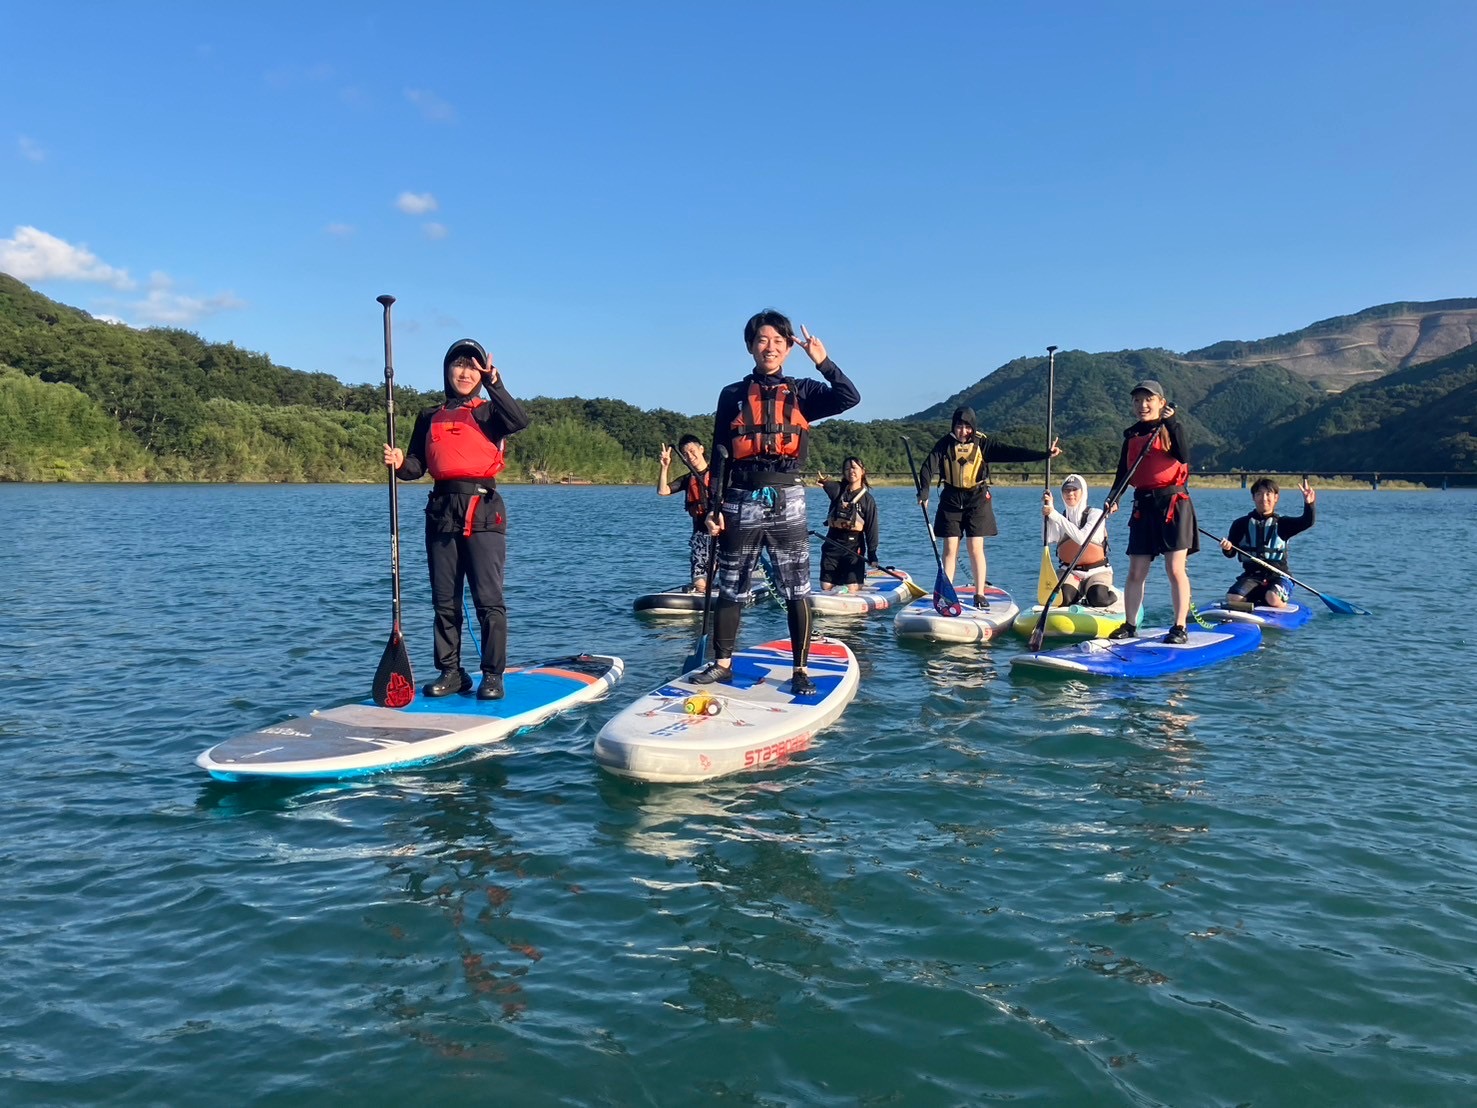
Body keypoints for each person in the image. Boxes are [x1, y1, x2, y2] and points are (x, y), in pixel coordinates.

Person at [690, 309, 861, 694]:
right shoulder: (732, 395)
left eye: (778, 341)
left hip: (788, 498)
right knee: (731, 585)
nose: (770, 347)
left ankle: (800, 668)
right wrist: (713, 507)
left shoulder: (803, 391)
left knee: (796, 588)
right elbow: (720, 452)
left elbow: (850, 397)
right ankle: (722, 664)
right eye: (762, 340)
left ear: (788, 349)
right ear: (750, 347)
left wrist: (823, 362)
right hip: (740, 498)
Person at [383, 338, 530, 700]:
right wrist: (400, 463)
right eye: (459, 365)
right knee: (444, 601)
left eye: (472, 367)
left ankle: (492, 675)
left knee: (488, 601)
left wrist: (495, 383)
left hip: (483, 511)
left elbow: (519, 420)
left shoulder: (489, 412)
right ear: (447, 370)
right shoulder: (429, 416)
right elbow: (417, 466)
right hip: (441, 511)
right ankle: (451, 672)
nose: (465, 373)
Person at [916, 406, 1060, 608]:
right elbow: (927, 467)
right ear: (953, 426)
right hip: (951, 499)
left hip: (977, 498)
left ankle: (980, 594)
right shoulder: (944, 444)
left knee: (975, 547)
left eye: (967, 427)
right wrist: (924, 492)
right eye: (959, 426)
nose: (963, 431)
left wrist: (1044, 455)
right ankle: (946, 594)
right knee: (950, 548)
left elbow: (1012, 453)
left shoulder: (983, 443)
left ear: (973, 427)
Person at [1107, 380, 1196, 644]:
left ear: (1161, 402)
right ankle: (1130, 624)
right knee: (1136, 570)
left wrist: (1171, 423)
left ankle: (1179, 627)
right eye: (1137, 400)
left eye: (1148, 400)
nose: (1142, 405)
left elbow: (1183, 455)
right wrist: (1114, 497)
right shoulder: (1132, 435)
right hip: (1143, 506)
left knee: (1174, 569)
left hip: (1173, 504)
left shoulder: (1171, 428)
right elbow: (1123, 472)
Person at [1220, 477, 1317, 609]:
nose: (1264, 498)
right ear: (1253, 498)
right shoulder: (1240, 524)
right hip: (1252, 576)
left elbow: (1307, 522)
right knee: (1233, 598)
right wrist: (1226, 548)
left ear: (1276, 498)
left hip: (1279, 577)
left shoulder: (1283, 524)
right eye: (1259, 494)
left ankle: (1279, 604)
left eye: (1268, 494)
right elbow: (1230, 553)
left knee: (1272, 598)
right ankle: (1256, 599)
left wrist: (1309, 504)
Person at [1041, 473, 1117, 607]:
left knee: (1099, 599)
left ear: (1083, 492)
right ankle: (1079, 593)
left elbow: (1082, 539)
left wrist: (1054, 515)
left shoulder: (1096, 514)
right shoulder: (1060, 516)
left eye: (1074, 489)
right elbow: (1047, 538)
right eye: (1066, 490)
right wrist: (1046, 517)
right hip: (1069, 571)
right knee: (1064, 599)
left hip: (1097, 571)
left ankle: (1113, 594)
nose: (1070, 493)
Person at [656, 434, 713, 594]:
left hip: (723, 534)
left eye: (692, 451)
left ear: (701, 449)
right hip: (700, 536)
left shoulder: (718, 475)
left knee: (721, 574)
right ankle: (702, 591)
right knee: (700, 584)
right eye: (685, 454)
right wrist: (665, 466)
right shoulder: (688, 479)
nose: (690, 456)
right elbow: (663, 491)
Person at [815, 456, 879, 592]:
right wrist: (824, 482)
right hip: (832, 544)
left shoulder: (868, 500)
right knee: (826, 587)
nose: (851, 471)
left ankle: (858, 579)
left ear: (863, 471)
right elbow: (829, 485)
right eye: (847, 469)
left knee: (851, 588)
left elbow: (872, 528)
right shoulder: (838, 491)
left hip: (853, 547)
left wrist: (872, 553)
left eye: (854, 468)